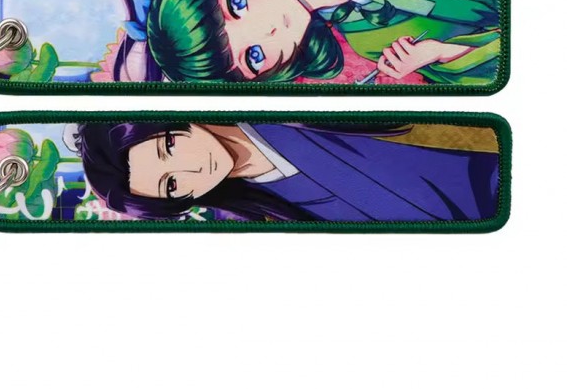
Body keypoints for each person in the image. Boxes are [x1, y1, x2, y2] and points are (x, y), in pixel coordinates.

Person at [76, 121, 499, 222]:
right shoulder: (269, 214)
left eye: (170, 145)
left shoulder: (289, 116)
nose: (192, 166)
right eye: (172, 185)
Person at [139, 0, 501, 84]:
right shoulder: (370, 41)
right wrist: (441, 53)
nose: (267, 28)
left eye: (237, 4)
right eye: (254, 55)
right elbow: (494, 68)